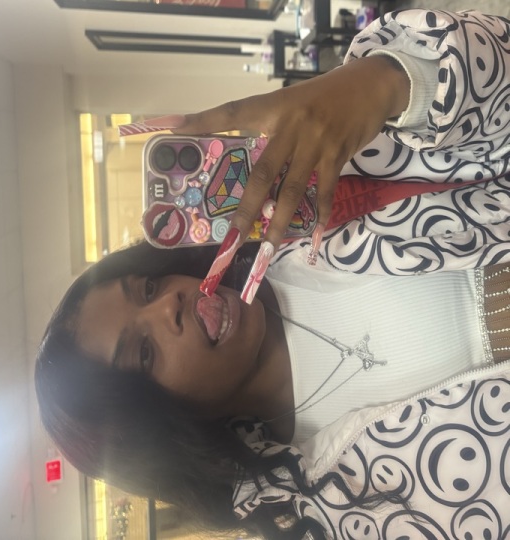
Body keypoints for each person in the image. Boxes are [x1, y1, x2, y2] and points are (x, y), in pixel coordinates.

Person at [35, 8, 510, 539]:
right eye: (144, 353)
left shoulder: (306, 203)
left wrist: (389, 82)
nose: (168, 303)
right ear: (168, 429)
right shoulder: (319, 509)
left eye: (147, 288)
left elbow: (496, 101)